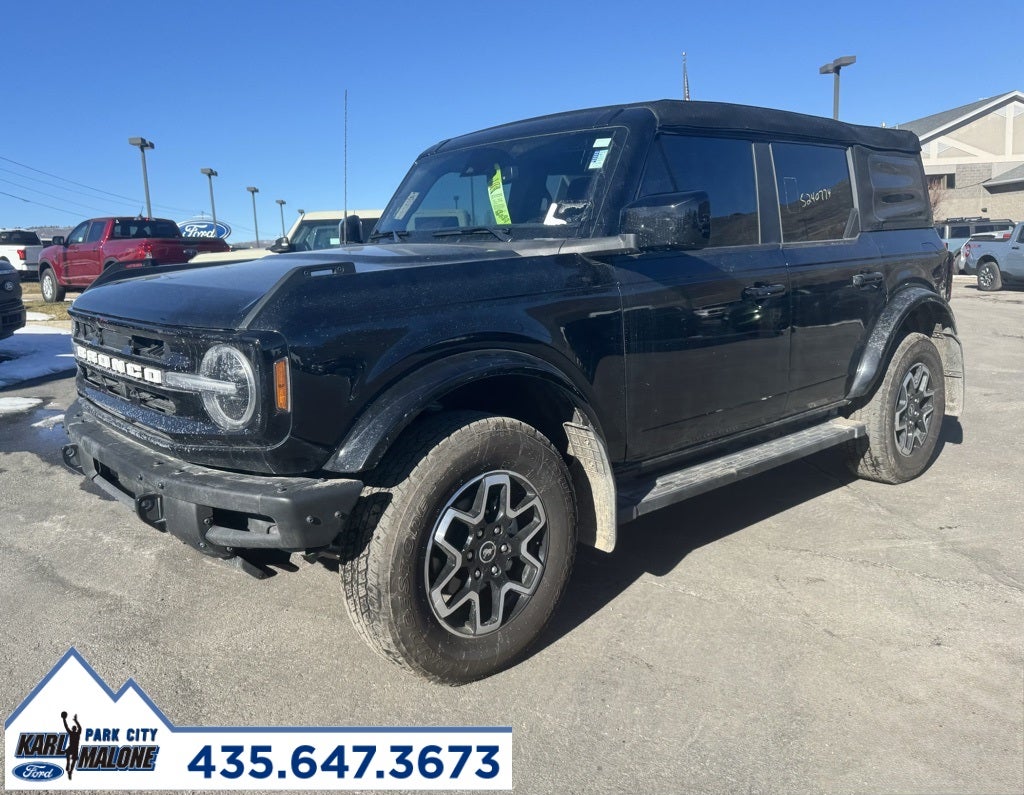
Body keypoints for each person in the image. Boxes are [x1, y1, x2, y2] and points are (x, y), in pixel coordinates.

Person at [61, 711, 82, 781]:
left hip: (74, 748)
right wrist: (64, 720)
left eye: (74, 727)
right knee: (70, 757)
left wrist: (75, 720)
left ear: (74, 729)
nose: (73, 728)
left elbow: (79, 727)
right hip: (73, 748)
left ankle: (70, 771)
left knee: (73, 759)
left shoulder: (75, 733)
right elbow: (66, 726)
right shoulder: (75, 733)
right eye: (74, 727)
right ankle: (68, 764)